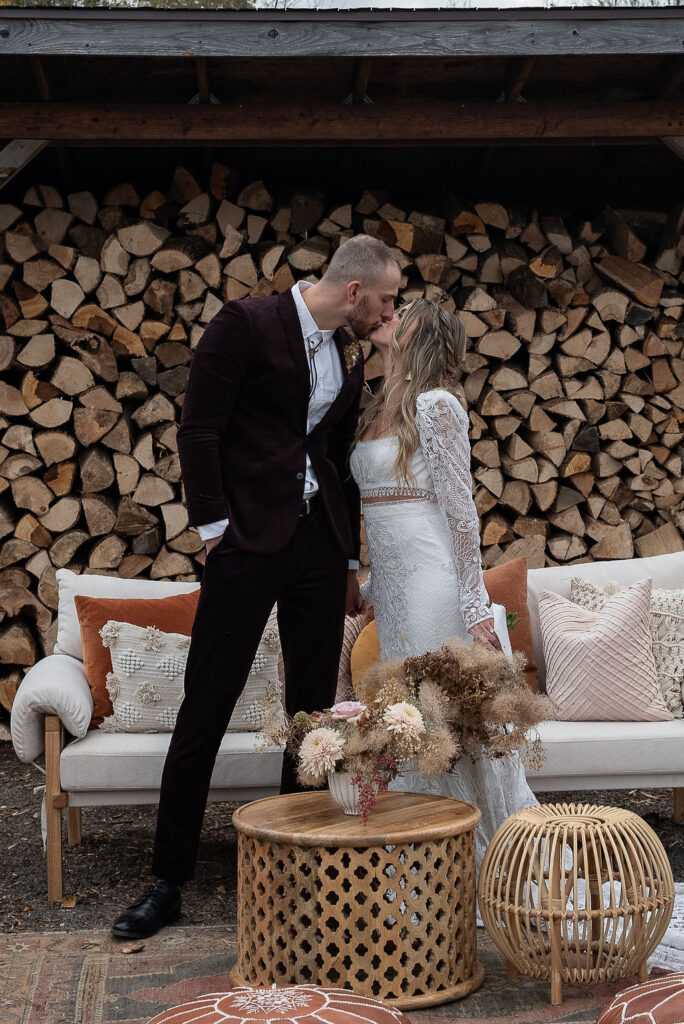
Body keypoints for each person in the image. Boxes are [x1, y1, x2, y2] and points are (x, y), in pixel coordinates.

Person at [111, 234, 402, 940]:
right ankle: (167, 881)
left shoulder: (344, 354)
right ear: (355, 290)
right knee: (207, 702)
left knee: (308, 717)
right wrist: (214, 530)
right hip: (244, 542)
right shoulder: (244, 324)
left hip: (315, 546)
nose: (393, 312)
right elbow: (199, 429)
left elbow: (335, 460)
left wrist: (348, 562)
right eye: (388, 298)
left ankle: (292, 873)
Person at [349, 297, 537, 868]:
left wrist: (475, 601)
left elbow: (460, 511)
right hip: (396, 592)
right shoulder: (374, 405)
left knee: (447, 719)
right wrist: (370, 579)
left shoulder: (437, 406)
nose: (388, 318)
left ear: (419, 335)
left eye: (398, 315)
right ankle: (423, 860)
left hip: (435, 588)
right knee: (411, 720)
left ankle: (483, 859)